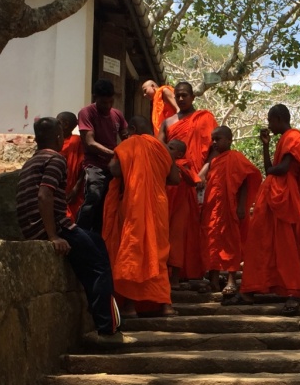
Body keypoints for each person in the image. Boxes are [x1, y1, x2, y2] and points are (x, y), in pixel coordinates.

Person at [16, 117, 135, 344]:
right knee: (100, 261)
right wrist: (52, 236)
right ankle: (108, 329)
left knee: (94, 243)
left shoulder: (30, 162)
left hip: (32, 227)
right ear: (60, 137)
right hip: (53, 227)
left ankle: (98, 317)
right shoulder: (55, 159)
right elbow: (44, 195)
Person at [224, 104, 300, 317]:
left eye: (270, 120)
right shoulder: (282, 140)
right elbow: (270, 169)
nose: (268, 124)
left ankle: (293, 292)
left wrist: (272, 171)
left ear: (278, 118)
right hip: (273, 194)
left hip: (285, 196)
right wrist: (266, 146)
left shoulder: (294, 136)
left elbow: (282, 169)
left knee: (287, 245)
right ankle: (251, 289)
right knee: (260, 242)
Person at [102, 115, 180, 318]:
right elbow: (174, 178)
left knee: (134, 250)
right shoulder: (163, 148)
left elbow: (114, 170)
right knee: (159, 253)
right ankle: (165, 306)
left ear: (133, 128)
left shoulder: (131, 144)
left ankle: (129, 307)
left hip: (134, 206)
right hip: (159, 207)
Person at [159, 82, 218, 284]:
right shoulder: (167, 123)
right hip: (172, 181)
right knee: (171, 227)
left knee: (194, 226)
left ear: (193, 97)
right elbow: (159, 150)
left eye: (185, 95)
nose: (181, 99)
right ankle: (168, 273)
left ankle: (193, 270)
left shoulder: (204, 118)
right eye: (178, 96)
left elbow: (215, 148)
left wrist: (202, 173)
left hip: (197, 180)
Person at [198, 126, 262, 297]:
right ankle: (213, 279)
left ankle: (231, 280)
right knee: (211, 241)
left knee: (231, 241)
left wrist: (242, 206)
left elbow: (245, 183)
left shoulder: (236, 158)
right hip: (212, 210)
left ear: (229, 140)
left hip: (229, 208)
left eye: (218, 139)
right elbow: (200, 179)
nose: (214, 143)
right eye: (213, 139)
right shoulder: (214, 161)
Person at [77, 79, 129, 233]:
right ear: (95, 98)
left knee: (109, 204)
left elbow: (127, 136)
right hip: (95, 166)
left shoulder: (117, 114)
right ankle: (81, 235)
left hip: (112, 168)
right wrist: (115, 153)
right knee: (93, 199)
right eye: (103, 102)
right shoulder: (86, 113)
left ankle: (101, 238)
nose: (107, 106)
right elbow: (89, 143)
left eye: (110, 102)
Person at [56, 111, 84, 221]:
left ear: (66, 124)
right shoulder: (55, 141)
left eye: (58, 122)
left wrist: (76, 188)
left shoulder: (76, 141)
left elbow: (83, 166)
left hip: (72, 189)